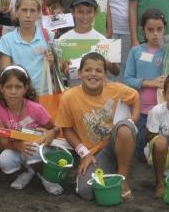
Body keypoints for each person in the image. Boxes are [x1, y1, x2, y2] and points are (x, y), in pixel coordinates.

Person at [55, 53, 140, 201]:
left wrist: (133, 119)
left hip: (116, 140)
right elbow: (67, 129)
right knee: (86, 192)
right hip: (95, 151)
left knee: (125, 128)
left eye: (99, 71)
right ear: (80, 73)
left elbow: (135, 96)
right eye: (88, 70)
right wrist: (85, 154)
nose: (93, 74)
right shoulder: (69, 97)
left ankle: (123, 178)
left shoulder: (115, 89)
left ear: (105, 75)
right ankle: (114, 166)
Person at [123, 9, 169, 161]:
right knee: (139, 153)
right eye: (150, 30)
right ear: (143, 31)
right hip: (140, 111)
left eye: (159, 29)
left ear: (164, 29)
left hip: (164, 111)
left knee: (163, 148)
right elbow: (127, 79)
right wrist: (149, 82)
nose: (155, 34)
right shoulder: (136, 51)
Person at [0, 65, 63, 195]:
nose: (13, 91)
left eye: (18, 87)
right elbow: (3, 141)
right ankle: (27, 172)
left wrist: (52, 133)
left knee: (32, 149)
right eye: (8, 86)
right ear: (1, 88)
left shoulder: (35, 108)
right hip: (15, 146)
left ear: (25, 89)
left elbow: (56, 128)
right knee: (4, 160)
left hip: (36, 147)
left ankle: (45, 177)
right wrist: (17, 145)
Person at [0, 0, 55, 95]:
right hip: (19, 96)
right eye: (24, 10)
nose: (28, 15)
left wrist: (52, 63)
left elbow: (56, 68)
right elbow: (5, 72)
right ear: (16, 12)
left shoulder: (49, 36)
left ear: (38, 14)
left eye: (32, 11)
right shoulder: (6, 40)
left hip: (44, 94)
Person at [59, 0, 120, 85]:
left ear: (95, 12)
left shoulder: (102, 39)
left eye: (89, 11)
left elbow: (116, 72)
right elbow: (60, 73)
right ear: (72, 12)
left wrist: (108, 63)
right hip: (74, 93)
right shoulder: (63, 39)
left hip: (97, 93)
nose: (85, 16)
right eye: (80, 12)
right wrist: (63, 66)